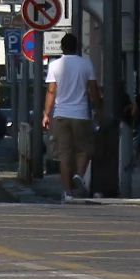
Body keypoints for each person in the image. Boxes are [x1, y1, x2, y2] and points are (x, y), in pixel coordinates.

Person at [41, 30, 100, 199]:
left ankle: (68, 193)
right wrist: (98, 108)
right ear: (78, 47)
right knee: (85, 150)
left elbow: (51, 91)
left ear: (61, 47)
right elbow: (93, 90)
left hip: (61, 115)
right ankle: (79, 176)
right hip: (81, 114)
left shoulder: (54, 66)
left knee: (64, 155)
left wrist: (46, 114)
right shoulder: (86, 64)